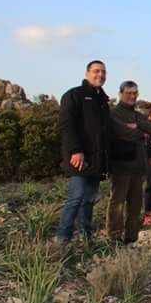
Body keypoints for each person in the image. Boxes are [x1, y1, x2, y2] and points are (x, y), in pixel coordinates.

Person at [55, 60, 111, 244]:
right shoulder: (74, 95)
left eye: (103, 72)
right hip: (79, 158)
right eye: (96, 71)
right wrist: (75, 150)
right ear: (87, 73)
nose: (100, 75)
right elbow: (66, 125)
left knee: (89, 199)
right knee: (76, 197)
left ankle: (87, 237)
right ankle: (63, 237)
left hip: (97, 161)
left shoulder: (103, 100)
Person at [107, 80, 151, 243]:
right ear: (120, 94)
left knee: (136, 205)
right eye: (128, 93)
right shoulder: (113, 113)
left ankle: (131, 238)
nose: (132, 96)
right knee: (118, 203)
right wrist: (141, 132)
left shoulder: (137, 115)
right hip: (121, 165)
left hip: (138, 166)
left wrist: (136, 126)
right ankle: (114, 237)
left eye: (135, 93)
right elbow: (121, 132)